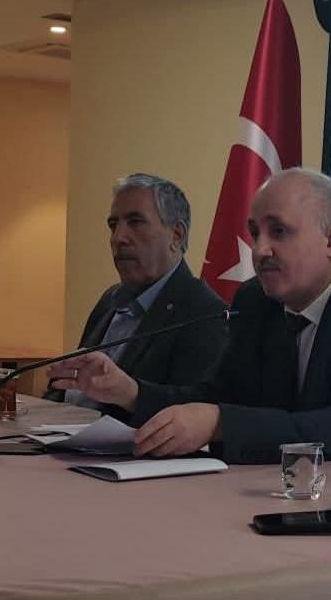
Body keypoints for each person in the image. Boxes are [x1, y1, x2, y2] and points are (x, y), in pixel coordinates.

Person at [52, 167, 331, 480]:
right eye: (254, 232)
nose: (259, 250)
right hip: (289, 492)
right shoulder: (257, 300)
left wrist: (220, 423)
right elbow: (217, 395)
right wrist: (131, 392)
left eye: (279, 232)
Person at [50, 173, 228, 417]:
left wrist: (132, 394)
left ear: (176, 235)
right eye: (113, 225)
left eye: (135, 222)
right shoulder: (110, 299)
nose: (118, 238)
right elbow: (67, 388)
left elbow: (197, 408)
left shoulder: (204, 311)